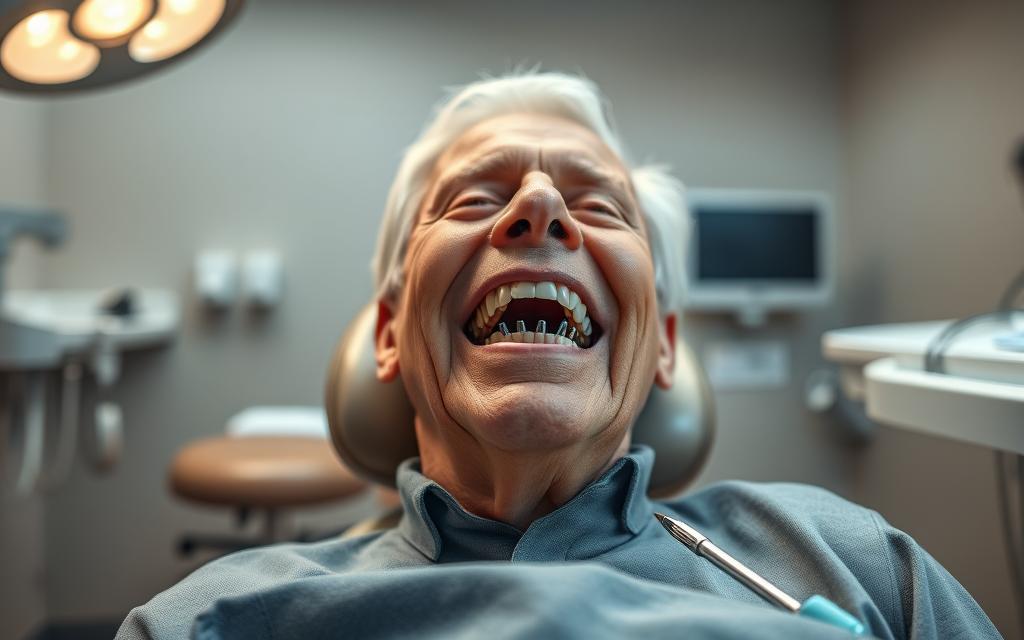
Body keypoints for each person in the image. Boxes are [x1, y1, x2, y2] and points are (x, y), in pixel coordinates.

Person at [117, 72, 1001, 639]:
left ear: (660, 342)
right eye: (474, 196)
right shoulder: (211, 620)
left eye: (600, 205)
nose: (540, 207)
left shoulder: (861, 567)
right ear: (389, 332)